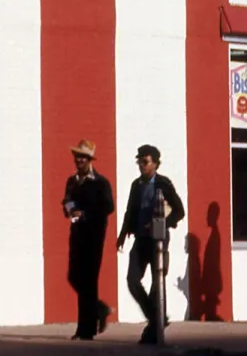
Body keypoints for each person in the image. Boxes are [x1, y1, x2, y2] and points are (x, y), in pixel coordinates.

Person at [117, 144, 185, 345]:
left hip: (158, 241)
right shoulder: (136, 185)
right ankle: (157, 319)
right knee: (132, 280)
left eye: (145, 162)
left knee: (158, 285)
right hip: (140, 240)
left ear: (155, 164)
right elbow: (130, 211)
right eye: (139, 162)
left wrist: (163, 223)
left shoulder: (163, 184)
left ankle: (154, 328)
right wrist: (122, 234)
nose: (141, 166)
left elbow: (179, 210)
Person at [62, 139, 115, 340]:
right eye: (77, 156)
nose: (79, 160)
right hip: (76, 236)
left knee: (89, 282)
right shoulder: (72, 181)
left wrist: (86, 214)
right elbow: (66, 201)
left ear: (90, 159)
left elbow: (108, 207)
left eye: (83, 157)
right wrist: (70, 210)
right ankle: (100, 309)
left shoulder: (100, 183)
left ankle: (85, 330)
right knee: (74, 277)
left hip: (94, 237)